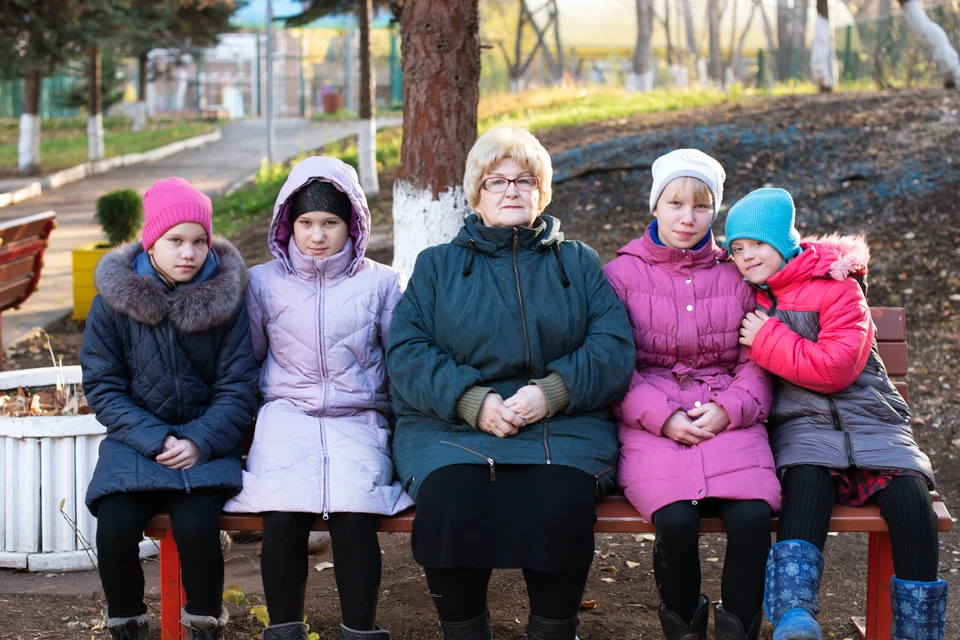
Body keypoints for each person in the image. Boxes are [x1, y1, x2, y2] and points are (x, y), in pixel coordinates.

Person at [386, 126, 635, 640]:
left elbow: (612, 348)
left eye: (524, 180)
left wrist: (550, 393)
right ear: (476, 194)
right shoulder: (437, 267)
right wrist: (472, 402)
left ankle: (551, 631)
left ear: (541, 192)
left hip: (561, 425)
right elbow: (408, 354)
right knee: (452, 502)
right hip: (450, 428)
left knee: (560, 503)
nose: (511, 191)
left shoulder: (579, 263)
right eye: (496, 182)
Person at [725, 188, 943, 640]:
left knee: (911, 502)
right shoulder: (750, 298)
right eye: (737, 249)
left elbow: (837, 370)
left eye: (757, 244)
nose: (746, 257)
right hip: (802, 429)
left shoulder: (837, 287)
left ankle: (919, 630)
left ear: (783, 243)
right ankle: (794, 618)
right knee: (804, 484)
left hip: (874, 422)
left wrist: (767, 338)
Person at [224, 157, 412, 640]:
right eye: (306, 222)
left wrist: (398, 427)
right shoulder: (263, 283)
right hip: (286, 418)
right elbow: (248, 361)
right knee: (283, 516)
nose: (317, 234)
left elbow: (399, 363)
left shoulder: (381, 283)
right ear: (288, 223)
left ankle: (359, 632)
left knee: (355, 516)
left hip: (359, 418)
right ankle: (285, 630)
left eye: (330, 223)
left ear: (353, 224)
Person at [603, 150, 780, 640]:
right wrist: (663, 418)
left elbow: (757, 360)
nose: (687, 217)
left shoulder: (737, 274)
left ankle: (737, 631)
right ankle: (682, 630)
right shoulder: (621, 275)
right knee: (676, 521)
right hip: (651, 422)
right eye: (675, 202)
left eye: (701, 206)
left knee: (751, 518)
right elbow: (614, 366)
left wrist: (729, 410)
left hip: (727, 415)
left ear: (715, 212)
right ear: (654, 205)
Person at [81, 178, 259, 640]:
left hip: (206, 442)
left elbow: (238, 387)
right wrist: (155, 438)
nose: (189, 253)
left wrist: (199, 441)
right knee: (115, 529)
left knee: (197, 528)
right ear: (151, 242)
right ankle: (128, 625)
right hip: (136, 443)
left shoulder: (227, 303)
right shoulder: (112, 306)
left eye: (199, 241)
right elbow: (104, 387)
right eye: (175, 241)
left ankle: (203, 626)